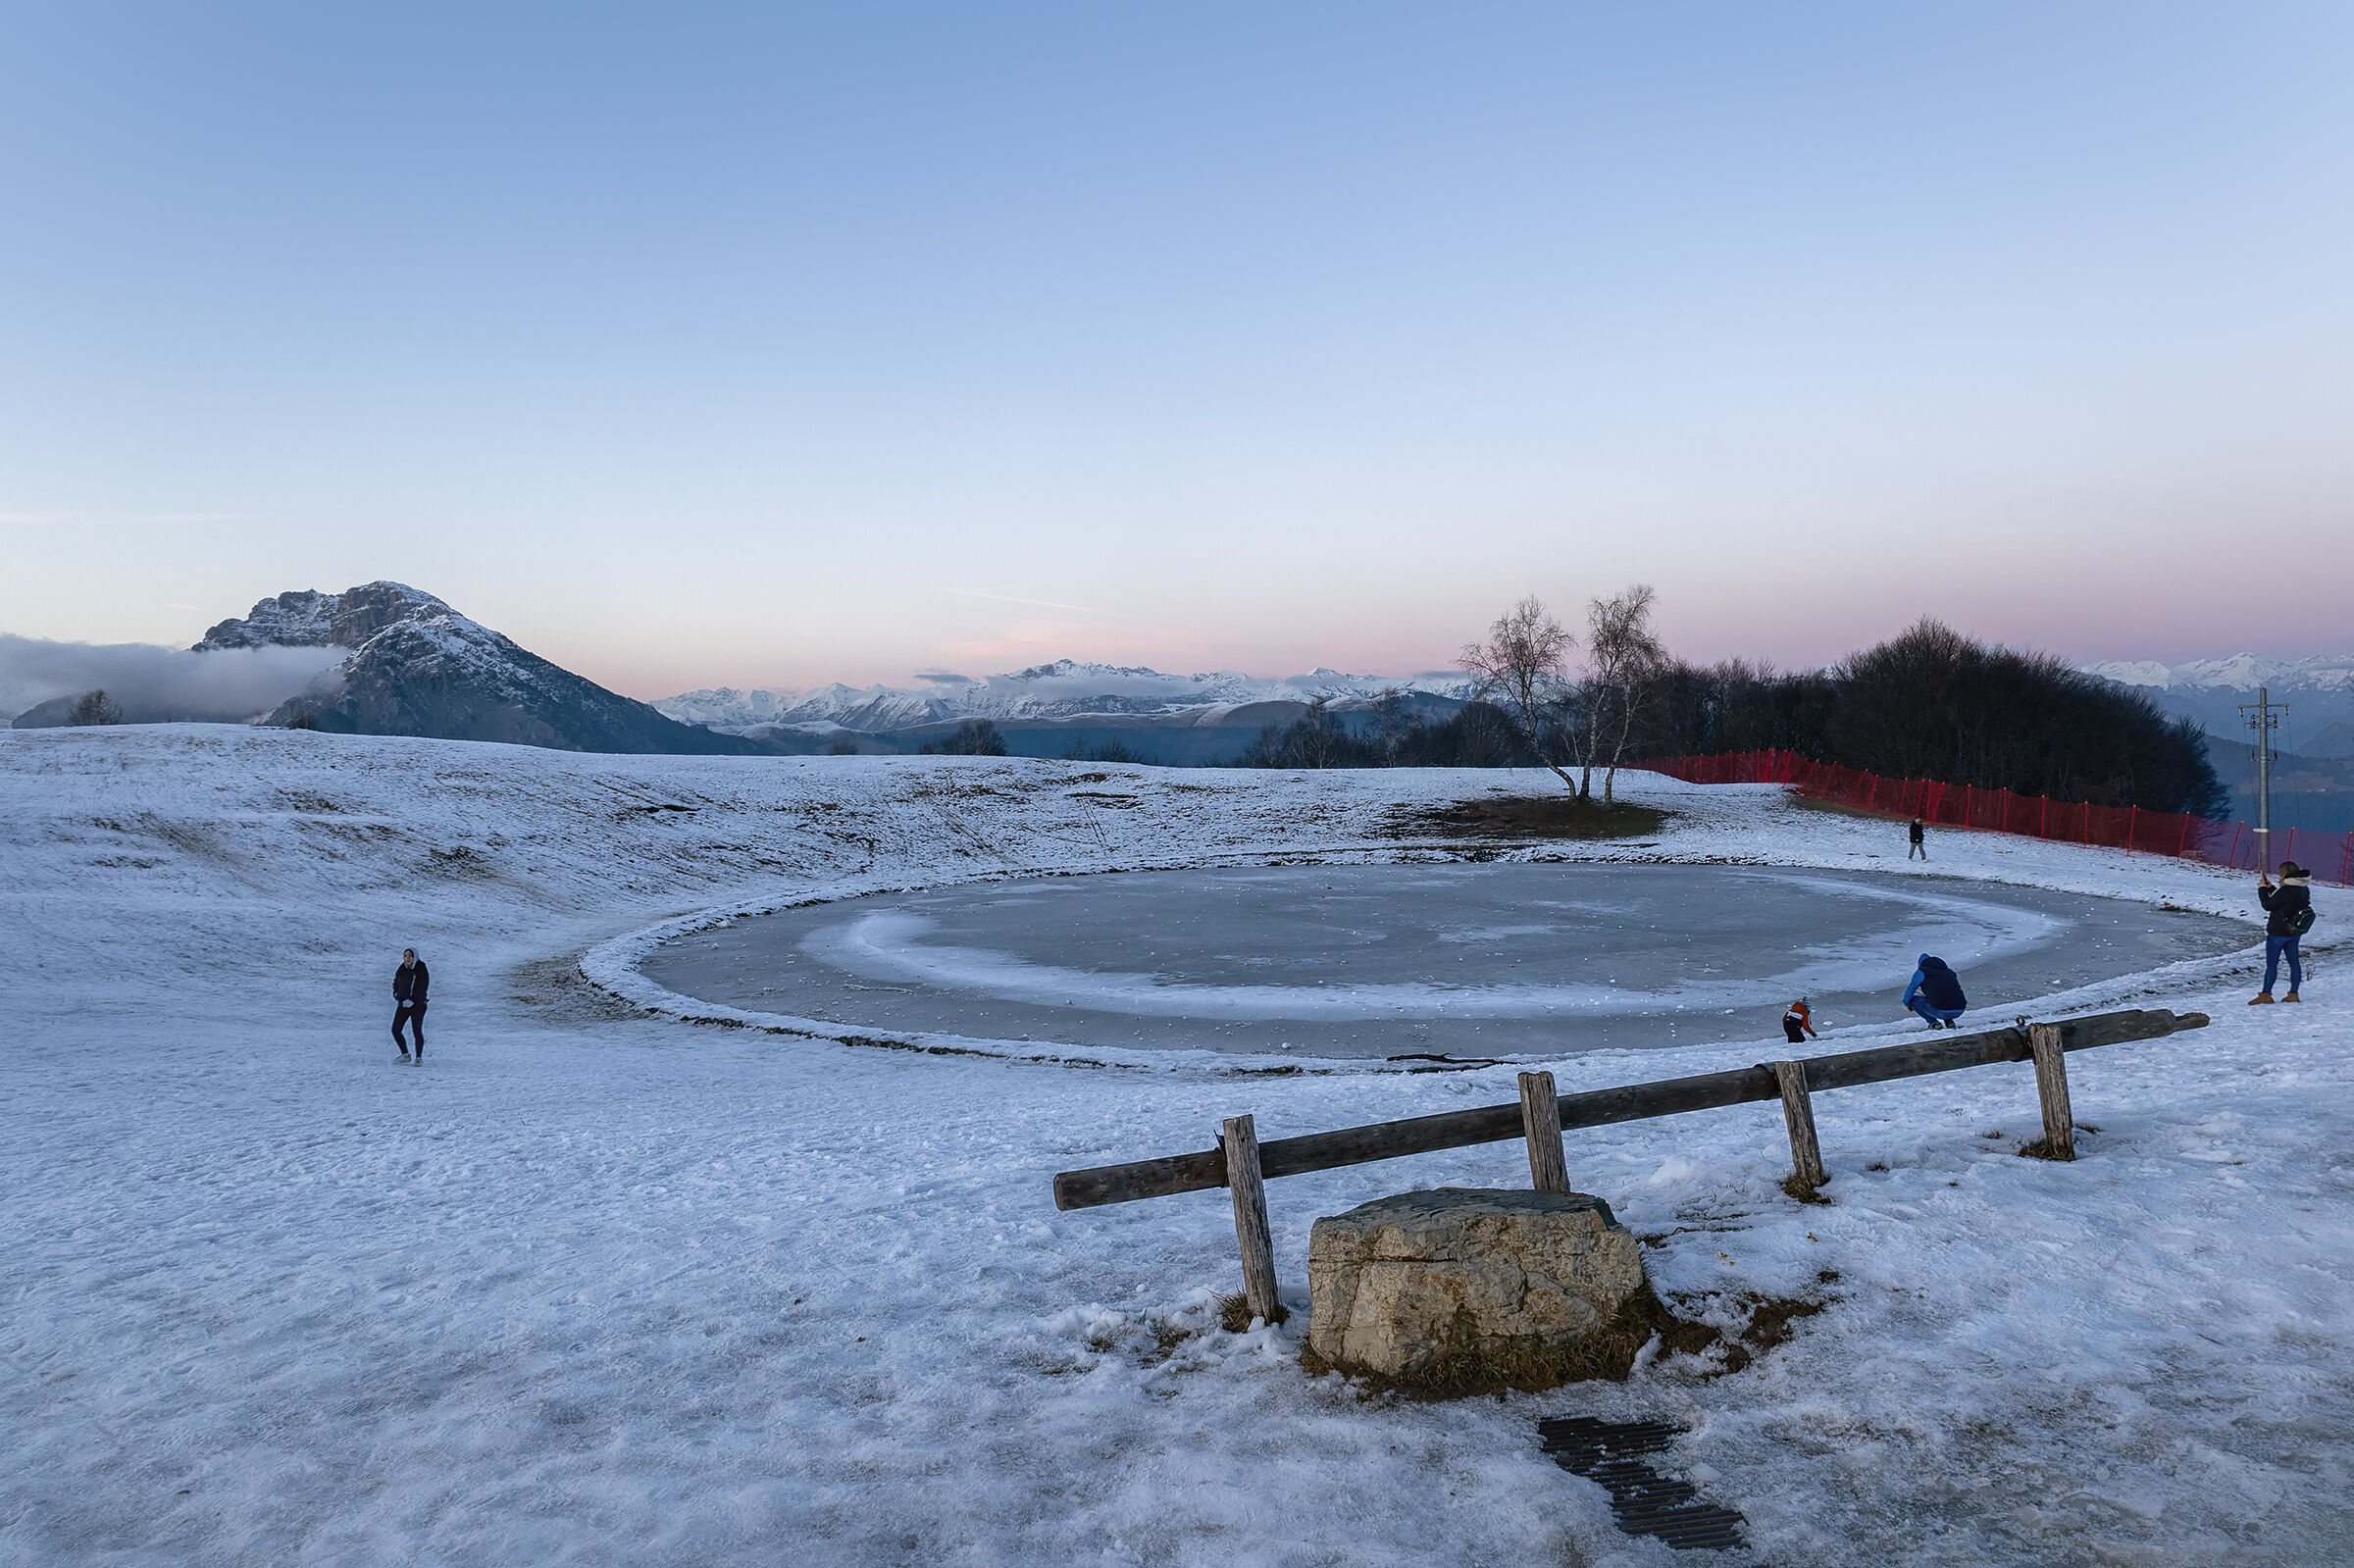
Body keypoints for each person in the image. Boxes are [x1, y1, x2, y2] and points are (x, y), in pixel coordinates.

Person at [2251, 861, 2313, 1004]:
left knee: (2272, 964)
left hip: (2278, 933)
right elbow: (2284, 901)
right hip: (2294, 932)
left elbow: (2268, 905)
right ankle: (2293, 994)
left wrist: (2261, 889)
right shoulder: (2303, 888)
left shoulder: (2286, 890)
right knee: (2294, 963)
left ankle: (2266, 995)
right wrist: (2270, 887)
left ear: (2283, 873)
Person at [1903, 953, 1967, 1029]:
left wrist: (1906, 1003)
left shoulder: (1922, 972)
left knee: (1913, 1000)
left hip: (1941, 1010)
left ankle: (1934, 1023)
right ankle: (1949, 1022)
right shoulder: (1949, 972)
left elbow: (1911, 988)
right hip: (1960, 1009)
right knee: (1946, 995)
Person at [393, 948, 430, 1061]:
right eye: (405, 956)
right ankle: (405, 1054)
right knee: (396, 1029)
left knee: (416, 1030)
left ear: (415, 957)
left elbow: (422, 986)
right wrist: (397, 995)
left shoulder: (421, 968)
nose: (408, 958)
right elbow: (396, 982)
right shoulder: (402, 968)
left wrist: (413, 999)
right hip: (403, 1004)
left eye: (410, 956)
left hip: (418, 1005)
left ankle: (418, 1057)